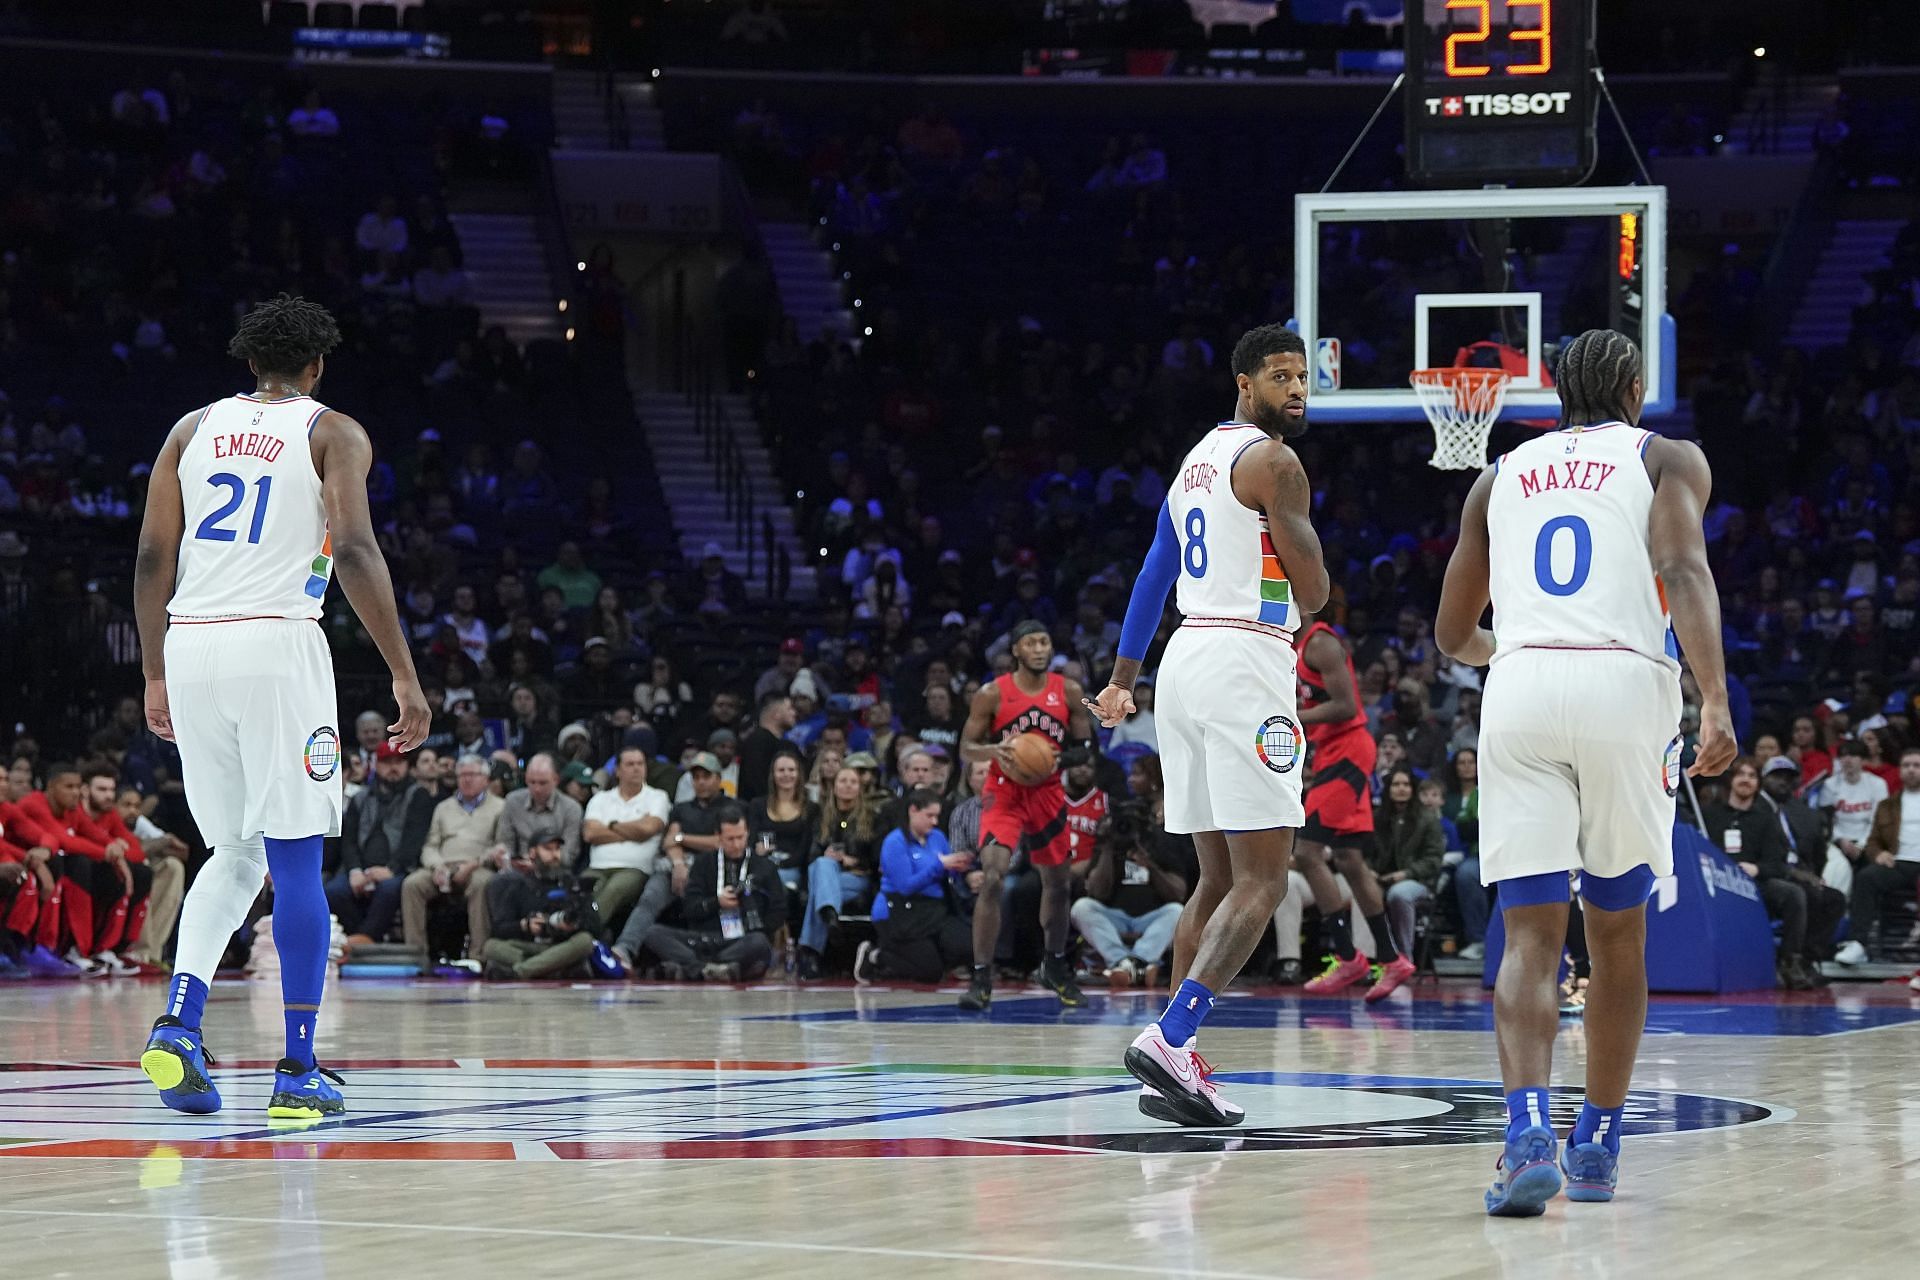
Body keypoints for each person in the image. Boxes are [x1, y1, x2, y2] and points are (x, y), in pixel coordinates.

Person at [1435, 328, 1734, 1215]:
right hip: (1624, 686)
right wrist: (1714, 697)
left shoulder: (1498, 474)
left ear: (1557, 389)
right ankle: (1597, 1142)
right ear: (1636, 387)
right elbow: (1682, 566)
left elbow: (1453, 636)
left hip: (1520, 685)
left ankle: (1525, 1127)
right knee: (1616, 935)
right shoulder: (1666, 455)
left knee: (1529, 937)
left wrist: (1519, 652)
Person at [132, 294, 430, 1121]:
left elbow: (156, 551)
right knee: (295, 859)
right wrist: (404, 673)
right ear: (317, 365)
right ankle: (298, 1068)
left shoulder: (189, 430)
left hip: (190, 645)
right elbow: (358, 549)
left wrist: (154, 672)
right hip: (277, 646)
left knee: (232, 850)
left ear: (248, 363)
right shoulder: (334, 431)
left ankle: (181, 1024)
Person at [1088, 323, 1329, 1127]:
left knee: (1217, 880)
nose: (1296, 389)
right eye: (1280, 377)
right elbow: (1318, 592)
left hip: (1183, 667)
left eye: (1303, 376)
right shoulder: (1276, 462)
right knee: (1266, 876)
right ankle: (1175, 1035)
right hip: (1244, 661)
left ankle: (1174, 1057)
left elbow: (1156, 569)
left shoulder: (1196, 462)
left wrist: (1125, 680)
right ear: (1243, 383)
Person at [958, 620, 1099, 1011]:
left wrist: (1061, 757)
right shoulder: (992, 694)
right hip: (1003, 792)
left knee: (1058, 884)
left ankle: (1054, 965)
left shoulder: (1068, 691)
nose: (1040, 648)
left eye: (1045, 641)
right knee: (992, 876)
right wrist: (993, 753)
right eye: (1031, 643)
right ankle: (982, 975)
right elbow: (967, 747)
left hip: (1047, 791)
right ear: (1016, 650)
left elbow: (1086, 748)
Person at [1289, 609, 1408, 1000]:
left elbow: (1347, 707)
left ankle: (1347, 955)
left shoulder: (1320, 643)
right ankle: (1391, 960)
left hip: (1349, 752)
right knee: (1350, 861)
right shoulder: (1292, 647)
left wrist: (1294, 716)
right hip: (1332, 752)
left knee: (1306, 853)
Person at [1702, 757, 1828, 989]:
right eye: (1741, 775)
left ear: (1758, 784)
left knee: (1793, 894)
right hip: (1716, 884)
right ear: (1731, 780)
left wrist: (1757, 868)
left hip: (1754, 884)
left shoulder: (1766, 819)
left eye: (1752, 776)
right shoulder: (1709, 815)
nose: (1746, 780)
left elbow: (1777, 863)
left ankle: (1790, 961)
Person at [640, 804, 783, 982]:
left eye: (740, 837)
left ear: (747, 833)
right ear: (718, 837)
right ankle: (711, 969)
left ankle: (696, 968)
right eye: (730, 839)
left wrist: (752, 919)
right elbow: (690, 908)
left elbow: (778, 911)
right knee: (653, 933)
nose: (737, 844)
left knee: (759, 942)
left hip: (740, 939)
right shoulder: (703, 864)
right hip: (702, 938)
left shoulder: (764, 867)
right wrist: (716, 902)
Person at [858, 788, 973, 984]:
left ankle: (933, 955)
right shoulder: (895, 842)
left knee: (967, 945)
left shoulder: (937, 837)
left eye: (937, 816)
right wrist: (939, 865)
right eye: (929, 816)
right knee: (929, 973)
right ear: (913, 810)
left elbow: (948, 871)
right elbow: (906, 886)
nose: (934, 822)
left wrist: (961, 868)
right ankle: (876, 956)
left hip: (933, 909)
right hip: (901, 910)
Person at [1070, 800, 1189, 988]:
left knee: (1177, 911)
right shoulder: (1108, 841)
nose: (1129, 828)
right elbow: (1096, 891)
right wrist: (1108, 847)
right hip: (1114, 917)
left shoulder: (1160, 841)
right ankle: (1134, 964)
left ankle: (1126, 965)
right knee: (1082, 908)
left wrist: (1151, 866)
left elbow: (1178, 893)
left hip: (1151, 918)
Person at [401, 754, 506, 962]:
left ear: (486, 779)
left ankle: (478, 956)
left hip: (477, 866)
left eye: (473, 775)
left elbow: (500, 846)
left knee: (482, 884)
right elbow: (430, 845)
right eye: (462, 775)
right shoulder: (443, 807)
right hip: (443, 866)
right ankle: (416, 955)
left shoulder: (500, 807)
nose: (467, 780)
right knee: (411, 884)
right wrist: (437, 866)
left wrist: (473, 864)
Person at [580, 746, 672, 971]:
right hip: (598, 867)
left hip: (635, 869)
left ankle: (577, 941)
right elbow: (590, 833)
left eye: (640, 764)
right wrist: (631, 830)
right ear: (618, 770)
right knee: (581, 890)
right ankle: (580, 941)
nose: (636, 769)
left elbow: (649, 829)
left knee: (614, 889)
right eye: (630, 764)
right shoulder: (602, 798)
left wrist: (610, 826)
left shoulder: (657, 797)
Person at [1834, 746, 1920, 964]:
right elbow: (1872, 841)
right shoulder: (1887, 805)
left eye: (1917, 765)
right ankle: (1858, 944)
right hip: (1898, 863)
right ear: (1899, 771)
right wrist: (1878, 853)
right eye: (1906, 765)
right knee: (1866, 878)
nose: (1911, 770)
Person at [1370, 766, 1445, 959]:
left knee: (1399, 894)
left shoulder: (1427, 819)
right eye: (1396, 784)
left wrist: (1405, 874)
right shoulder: (1376, 817)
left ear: (1413, 789)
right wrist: (1369, 871)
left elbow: (1434, 860)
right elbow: (1366, 852)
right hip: (1380, 878)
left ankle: (1404, 956)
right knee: (1366, 891)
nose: (1401, 789)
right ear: (1389, 789)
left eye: (1406, 784)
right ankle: (1368, 957)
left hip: (1418, 881)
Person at [1818, 739, 1885, 895]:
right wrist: (1841, 840)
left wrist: (1861, 844)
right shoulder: (1830, 785)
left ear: (1863, 760)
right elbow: (1825, 821)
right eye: (1843, 756)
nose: (1847, 760)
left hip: (1868, 840)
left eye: (1853, 755)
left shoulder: (1877, 784)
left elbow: (1878, 820)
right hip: (1838, 841)